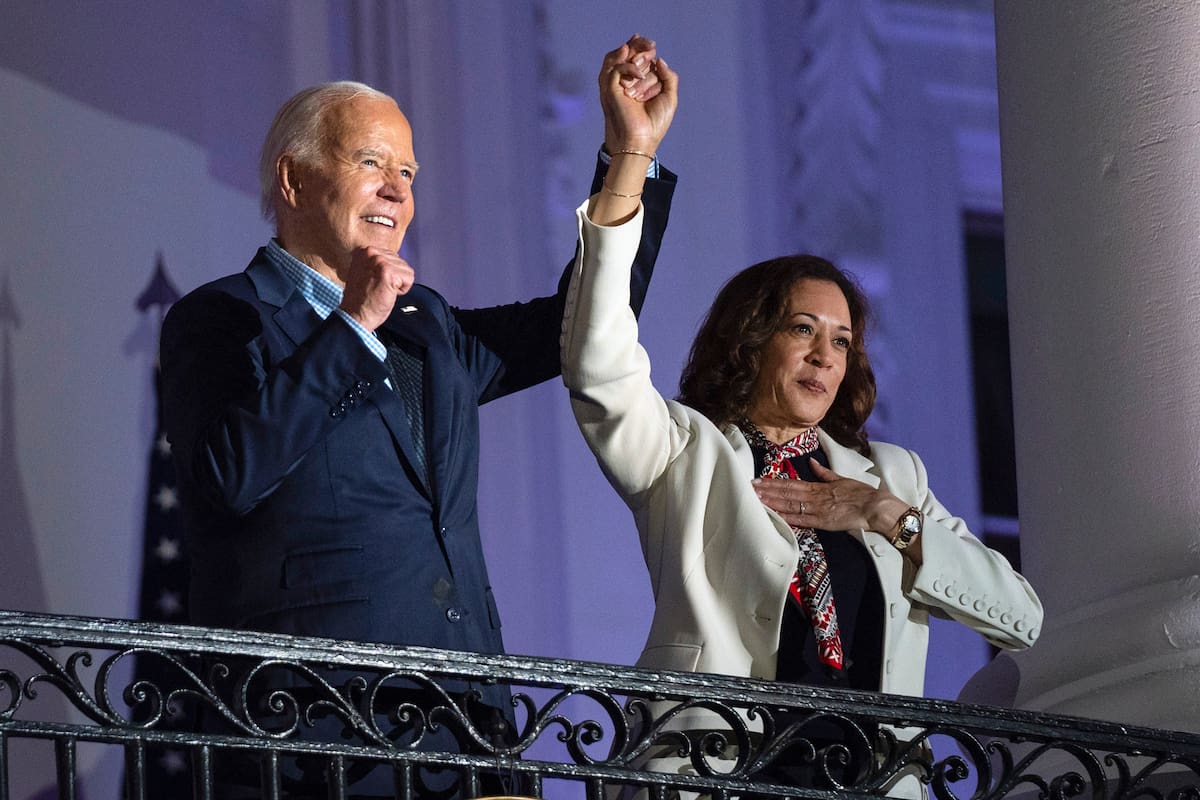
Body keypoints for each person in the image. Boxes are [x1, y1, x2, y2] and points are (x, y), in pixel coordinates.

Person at [159, 37, 677, 798]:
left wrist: (628, 155)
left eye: (407, 172)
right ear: (295, 179)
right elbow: (228, 477)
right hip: (314, 743)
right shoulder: (223, 318)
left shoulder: (425, 324)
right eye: (372, 162)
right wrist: (352, 327)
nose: (398, 190)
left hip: (467, 734)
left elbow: (581, 325)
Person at [562, 70, 1042, 798]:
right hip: (720, 777)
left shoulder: (893, 476)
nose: (826, 355)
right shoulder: (686, 452)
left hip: (867, 782)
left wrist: (888, 519)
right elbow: (598, 361)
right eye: (802, 329)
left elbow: (1024, 621)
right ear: (752, 341)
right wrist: (631, 156)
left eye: (843, 341)